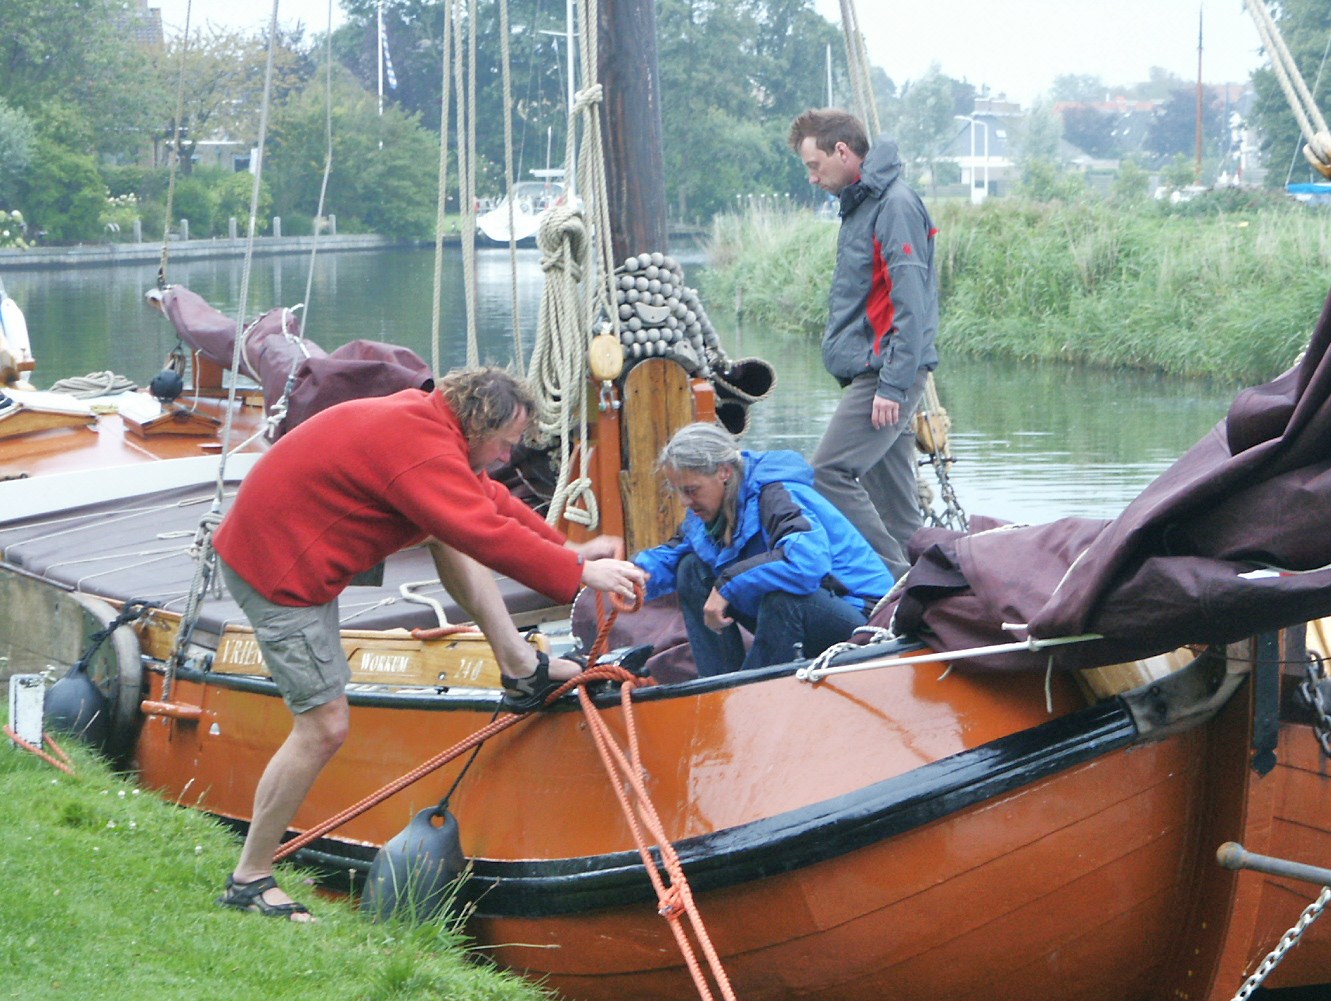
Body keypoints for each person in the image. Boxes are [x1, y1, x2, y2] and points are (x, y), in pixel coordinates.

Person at [210, 365, 646, 920]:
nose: (508, 458)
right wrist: (579, 576)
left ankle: (520, 667)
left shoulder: (433, 429)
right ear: (478, 425)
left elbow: (488, 501)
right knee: (323, 726)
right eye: (507, 443)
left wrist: (567, 552)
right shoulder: (419, 447)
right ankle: (249, 880)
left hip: (293, 539)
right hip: (277, 566)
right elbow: (484, 530)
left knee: (448, 528)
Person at [788, 107, 939, 580]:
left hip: (886, 374)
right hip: (875, 370)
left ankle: (893, 585)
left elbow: (910, 302)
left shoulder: (893, 205)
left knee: (828, 473)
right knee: (896, 505)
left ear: (842, 151)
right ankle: (927, 586)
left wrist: (892, 387)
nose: (813, 179)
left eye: (815, 166)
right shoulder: (863, 206)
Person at [633, 422, 893, 677]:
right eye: (677, 490)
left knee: (783, 599)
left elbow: (806, 564)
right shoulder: (706, 514)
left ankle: (749, 694)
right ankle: (719, 685)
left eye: (691, 490)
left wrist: (727, 584)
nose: (684, 502)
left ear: (724, 472)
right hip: (795, 617)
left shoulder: (777, 495)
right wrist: (628, 576)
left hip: (862, 618)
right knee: (690, 568)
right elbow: (669, 556)